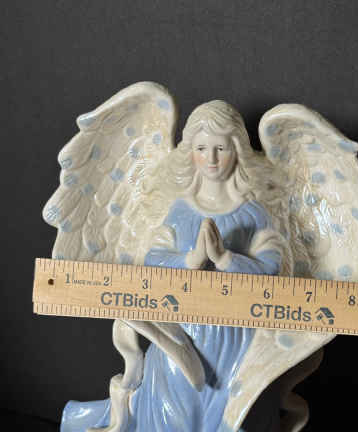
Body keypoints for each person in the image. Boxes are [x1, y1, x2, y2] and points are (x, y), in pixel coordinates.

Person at [62, 100, 288, 431]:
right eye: (202, 148)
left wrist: (225, 258)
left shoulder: (253, 212)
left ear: (237, 150)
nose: (211, 159)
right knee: (170, 414)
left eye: (221, 148)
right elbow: (153, 260)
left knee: (228, 416)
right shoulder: (180, 210)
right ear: (191, 152)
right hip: (181, 333)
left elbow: (273, 269)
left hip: (236, 340)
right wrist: (191, 259)